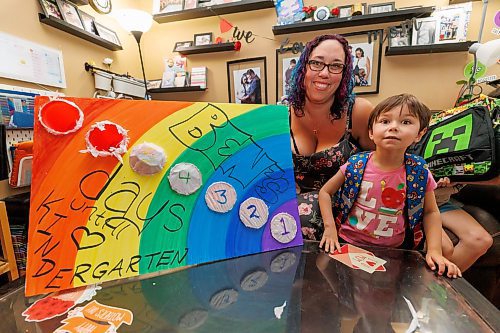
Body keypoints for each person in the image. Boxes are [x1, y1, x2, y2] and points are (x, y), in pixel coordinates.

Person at [318, 94, 461, 278]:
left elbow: (430, 212)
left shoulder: (419, 171)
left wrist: (435, 251)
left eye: (406, 122)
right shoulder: (356, 164)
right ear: (371, 132)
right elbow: (325, 192)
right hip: (348, 244)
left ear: (420, 134)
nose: (393, 127)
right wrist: (330, 229)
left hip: (395, 252)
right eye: (385, 121)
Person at [288, 34, 374, 241]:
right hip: (286, 215)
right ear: (303, 67)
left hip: (342, 214)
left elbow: (382, 164)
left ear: (344, 74)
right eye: (316, 63)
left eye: (335, 66)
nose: (324, 73)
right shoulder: (280, 115)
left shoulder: (359, 112)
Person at [435, 178, 494, 272]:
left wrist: (459, 179)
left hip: (440, 201)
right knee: (445, 247)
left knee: (481, 240)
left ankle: (436, 284)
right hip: (415, 200)